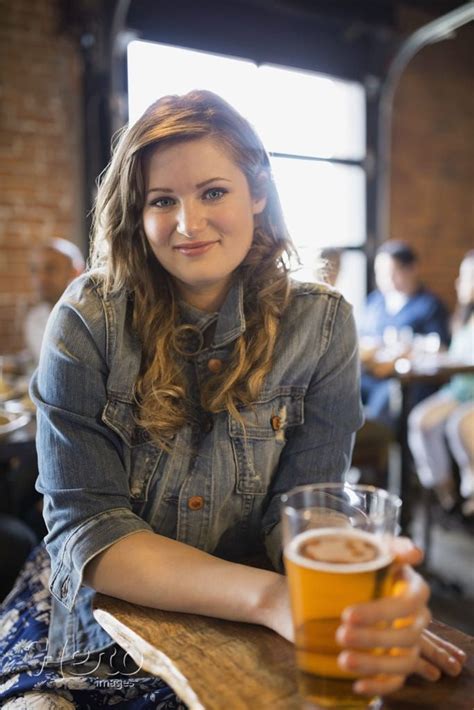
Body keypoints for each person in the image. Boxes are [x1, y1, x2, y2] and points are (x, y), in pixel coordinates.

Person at [0, 91, 466, 707]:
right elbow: (89, 530)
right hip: (99, 620)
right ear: (136, 214)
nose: (189, 224)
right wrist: (277, 598)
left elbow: (300, 508)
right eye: (163, 201)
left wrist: (353, 588)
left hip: (253, 618)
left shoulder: (322, 325)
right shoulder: (88, 319)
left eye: (213, 192)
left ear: (258, 195)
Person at [408, 251, 474, 515]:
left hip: (469, 395)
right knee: (420, 420)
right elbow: (458, 358)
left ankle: (470, 492)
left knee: (461, 425)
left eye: (467, 277)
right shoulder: (464, 317)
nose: (460, 283)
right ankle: (443, 490)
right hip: (457, 390)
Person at [359, 240, 450, 425]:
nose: (386, 280)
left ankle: (385, 448)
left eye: (393, 272)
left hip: (406, 382)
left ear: (412, 269)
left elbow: (441, 347)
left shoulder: (429, 305)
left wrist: (408, 349)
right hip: (370, 375)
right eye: (381, 274)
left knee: (382, 409)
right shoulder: (375, 302)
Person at [24, 237, 85, 365]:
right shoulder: (34, 319)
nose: (40, 278)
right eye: (35, 270)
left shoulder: (90, 322)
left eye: (50, 269)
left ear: (76, 272)